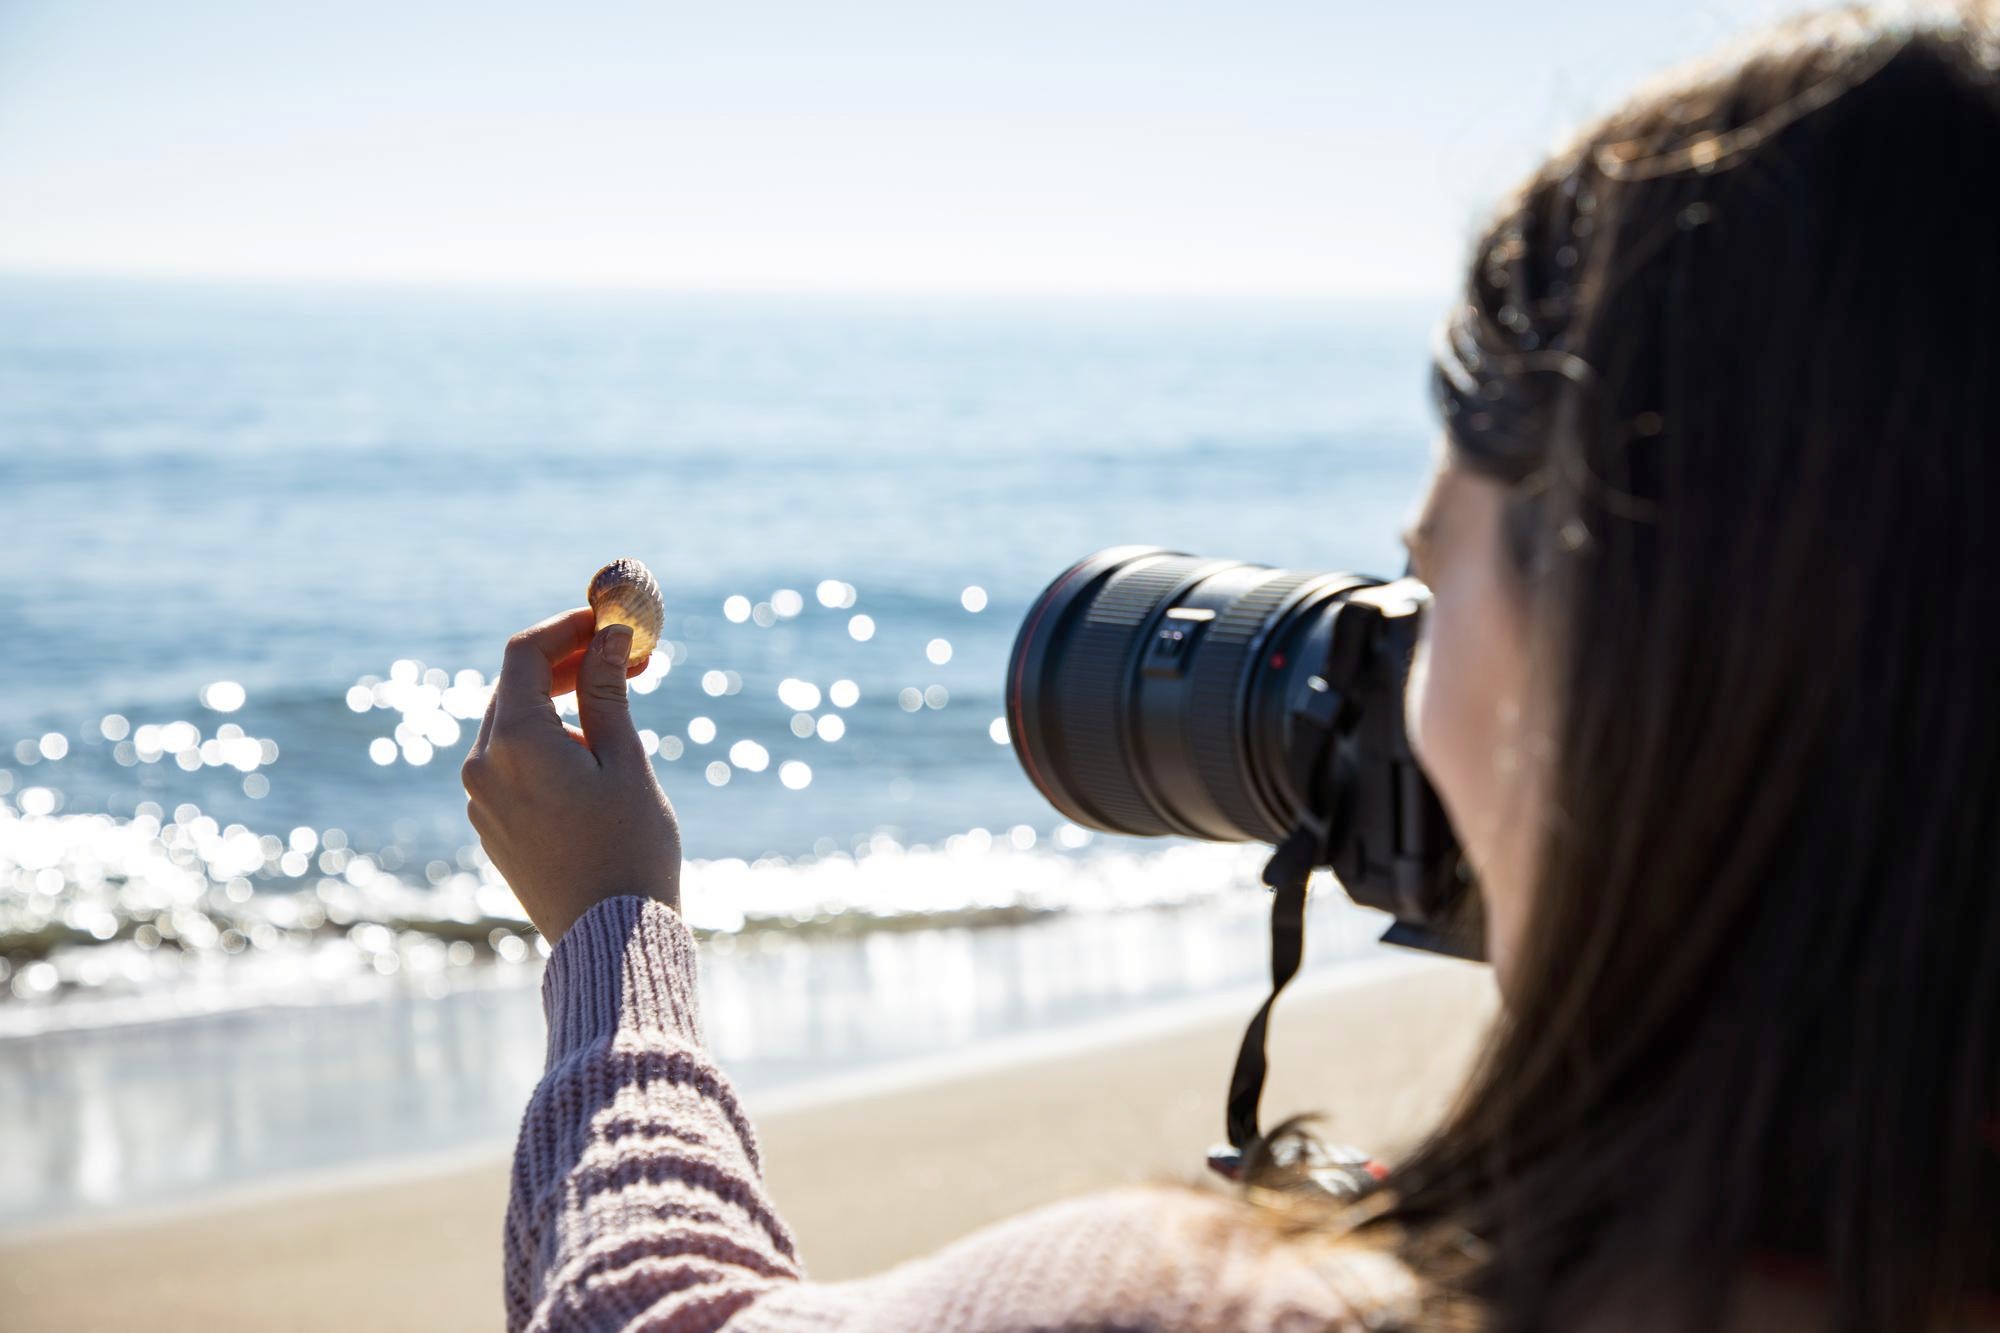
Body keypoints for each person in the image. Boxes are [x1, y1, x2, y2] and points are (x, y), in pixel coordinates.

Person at [461, 6, 2000, 1328]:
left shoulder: (1229, 1302)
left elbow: (651, 1307)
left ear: (1602, 666)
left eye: (1421, 584)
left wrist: (613, 927)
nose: (1389, 664)